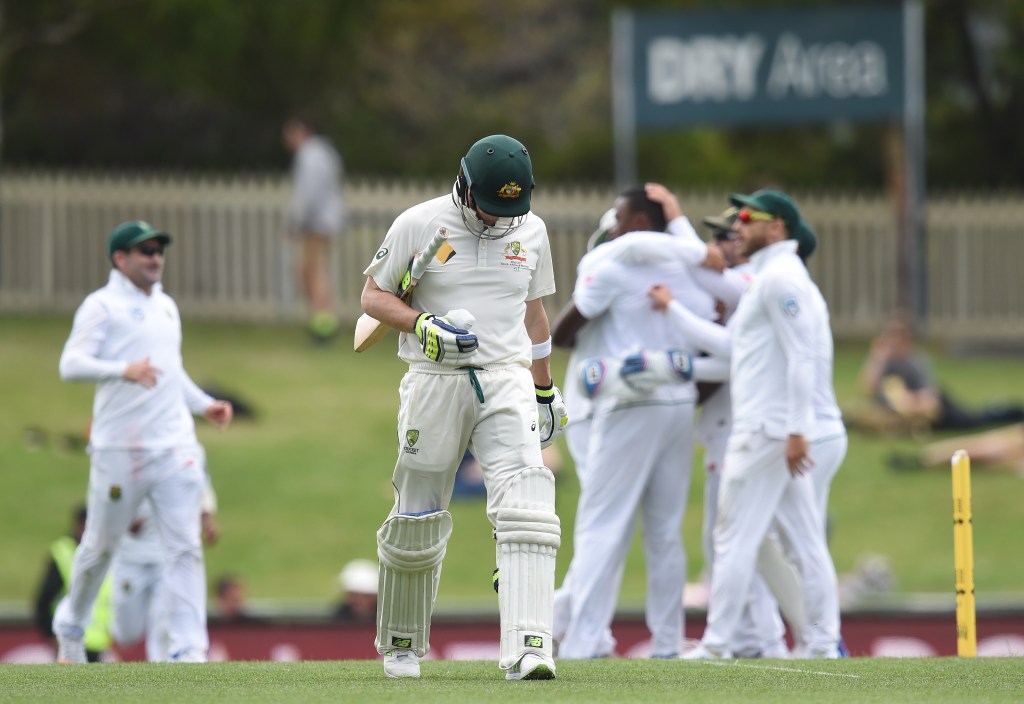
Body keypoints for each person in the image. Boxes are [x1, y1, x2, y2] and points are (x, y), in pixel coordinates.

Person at [359, 134, 566, 681]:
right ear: (464, 184)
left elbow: (536, 319)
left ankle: (529, 647)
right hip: (434, 378)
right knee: (419, 509)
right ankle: (402, 644)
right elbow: (374, 300)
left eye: (509, 210)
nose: (499, 221)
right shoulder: (419, 223)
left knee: (528, 505)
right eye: (490, 207)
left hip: (506, 378)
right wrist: (423, 324)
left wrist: (545, 391)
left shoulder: (533, 230)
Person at [550, 185, 729, 660]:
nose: (617, 227)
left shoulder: (614, 265)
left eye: (624, 219)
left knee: (600, 524)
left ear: (641, 224)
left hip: (628, 399)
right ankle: (667, 643)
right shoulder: (691, 268)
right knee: (664, 531)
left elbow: (560, 334)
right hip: (676, 400)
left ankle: (584, 641)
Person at [53, 220, 234, 664]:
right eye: (144, 251)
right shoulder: (102, 306)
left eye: (158, 250)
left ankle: (189, 651)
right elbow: (70, 364)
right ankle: (71, 630)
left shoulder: (167, 307)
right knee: (99, 546)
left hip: (174, 445)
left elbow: (170, 371)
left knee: (185, 546)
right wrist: (122, 369)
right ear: (120, 259)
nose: (154, 258)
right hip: (121, 450)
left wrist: (203, 404)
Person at [677, 189, 841, 660]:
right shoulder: (773, 276)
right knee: (805, 540)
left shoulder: (781, 279)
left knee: (732, 537)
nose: (740, 225)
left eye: (750, 218)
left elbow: (802, 355)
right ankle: (824, 644)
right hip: (773, 429)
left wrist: (794, 430)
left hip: (765, 431)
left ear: (778, 228)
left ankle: (719, 644)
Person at [109, 463, 219, 662]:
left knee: (164, 621)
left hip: (166, 554)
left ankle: (163, 673)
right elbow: (111, 488)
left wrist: (208, 520)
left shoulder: (182, 447)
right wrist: (122, 517)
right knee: (127, 633)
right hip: (130, 557)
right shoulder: (127, 449)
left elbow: (199, 485)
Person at [855, 311, 1024, 435]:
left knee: (973, 420)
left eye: (896, 336)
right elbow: (869, 387)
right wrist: (878, 357)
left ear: (906, 339)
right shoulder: (884, 360)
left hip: (940, 408)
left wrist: (910, 403)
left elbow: (930, 396)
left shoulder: (916, 361)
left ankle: (1010, 412)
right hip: (908, 411)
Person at [282, 116, 346, 343]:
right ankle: (321, 321)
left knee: (312, 271)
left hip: (316, 222)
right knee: (310, 270)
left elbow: (307, 194)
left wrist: (295, 223)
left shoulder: (308, 155)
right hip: (325, 220)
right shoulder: (325, 152)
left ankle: (324, 325)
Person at [33, 504, 113, 663]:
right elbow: (44, 600)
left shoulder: (104, 553)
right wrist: (51, 635)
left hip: (98, 641)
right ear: (79, 524)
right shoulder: (63, 551)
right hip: (67, 638)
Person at [333, 559, 379, 623]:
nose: (359, 600)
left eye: (366, 596)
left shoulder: (385, 619)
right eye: (354, 595)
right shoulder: (338, 618)